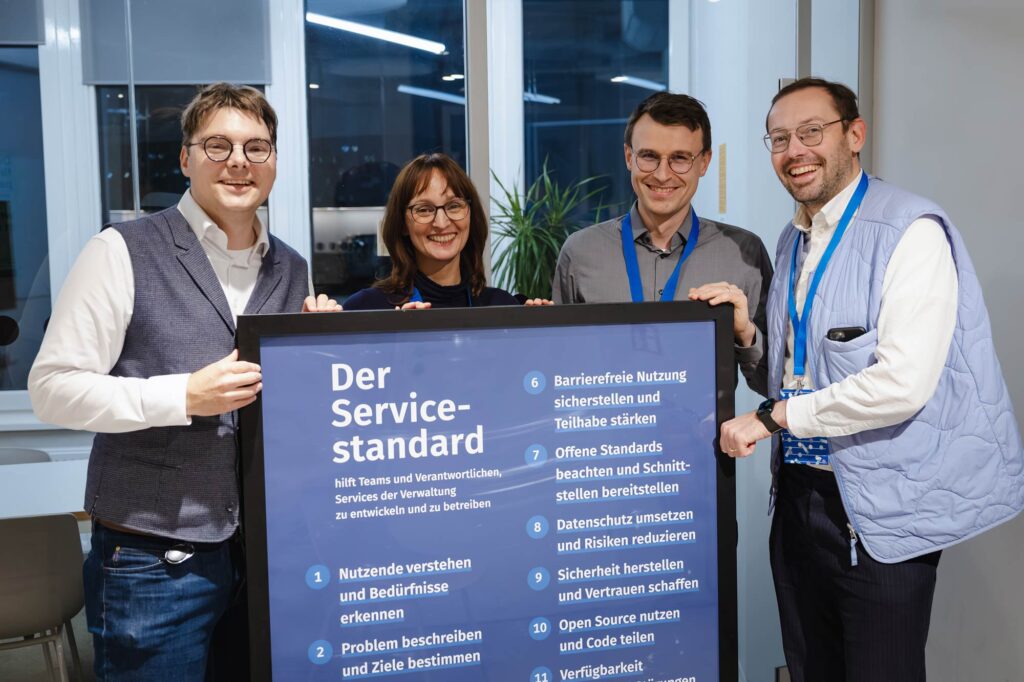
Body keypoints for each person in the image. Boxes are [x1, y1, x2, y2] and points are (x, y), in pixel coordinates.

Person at [28, 82, 337, 680]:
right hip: (152, 562)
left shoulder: (292, 266)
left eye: (257, 147)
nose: (239, 163)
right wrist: (182, 396)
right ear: (186, 159)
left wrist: (315, 352)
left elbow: (281, 409)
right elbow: (53, 387)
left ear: (274, 161)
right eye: (218, 145)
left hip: (267, 552)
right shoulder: (121, 250)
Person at [719, 77, 1024, 682]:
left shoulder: (910, 230)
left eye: (812, 132)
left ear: (855, 135)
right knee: (812, 669)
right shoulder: (794, 239)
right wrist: (748, 336)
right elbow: (790, 377)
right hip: (800, 495)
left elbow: (901, 384)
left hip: (880, 511)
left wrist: (771, 418)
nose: (794, 150)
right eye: (779, 138)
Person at [552, 92, 772, 391]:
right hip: (607, 433)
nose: (663, 174)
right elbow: (560, 370)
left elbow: (770, 384)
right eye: (649, 156)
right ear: (630, 157)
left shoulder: (743, 253)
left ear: (704, 162)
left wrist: (745, 333)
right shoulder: (580, 253)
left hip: (703, 438)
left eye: (680, 158)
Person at [345, 152, 545, 310]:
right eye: (424, 209)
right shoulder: (366, 309)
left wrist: (539, 339)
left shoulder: (500, 306)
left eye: (453, 206)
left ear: (470, 215)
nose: (441, 223)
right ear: (403, 224)